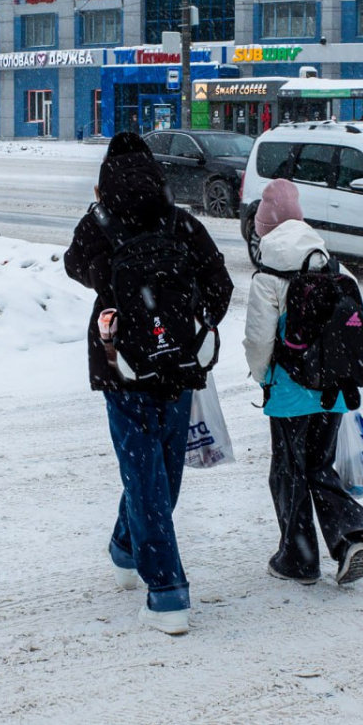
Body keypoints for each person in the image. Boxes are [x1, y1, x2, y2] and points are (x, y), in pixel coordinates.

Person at [64, 132, 233, 635]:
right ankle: (128, 553)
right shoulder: (179, 220)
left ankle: (165, 593)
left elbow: (75, 266)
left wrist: (115, 285)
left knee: (144, 474)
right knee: (161, 472)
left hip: (122, 363)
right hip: (179, 365)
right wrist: (189, 321)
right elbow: (220, 283)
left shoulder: (98, 222)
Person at [243, 179, 363, 586]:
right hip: (332, 391)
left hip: (289, 393)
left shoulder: (268, 276)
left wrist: (265, 379)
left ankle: (298, 559)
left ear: (265, 229)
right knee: (320, 465)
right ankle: (349, 536)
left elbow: (259, 340)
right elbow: (359, 323)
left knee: (287, 471)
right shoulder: (333, 265)